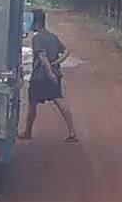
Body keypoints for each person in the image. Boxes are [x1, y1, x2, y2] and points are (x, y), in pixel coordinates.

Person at [19, 9, 78, 142]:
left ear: (37, 23)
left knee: (32, 104)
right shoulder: (52, 37)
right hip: (55, 74)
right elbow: (67, 51)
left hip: (40, 76)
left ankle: (27, 131)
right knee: (59, 101)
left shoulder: (37, 38)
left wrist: (49, 72)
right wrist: (56, 63)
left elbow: (42, 57)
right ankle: (72, 132)